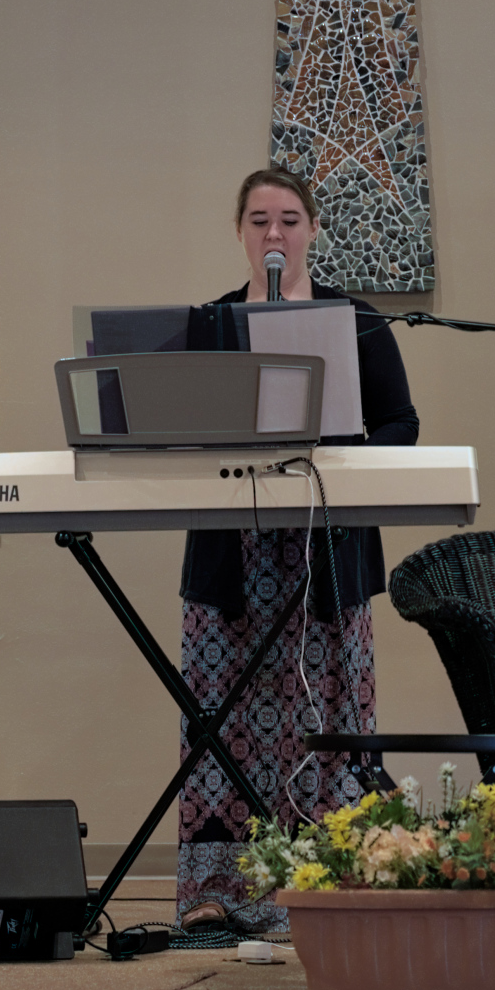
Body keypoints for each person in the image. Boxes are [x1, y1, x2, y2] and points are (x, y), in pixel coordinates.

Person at [175, 170, 419, 933]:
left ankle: (331, 879)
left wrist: (337, 461)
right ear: (240, 233)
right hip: (233, 555)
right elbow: (181, 431)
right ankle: (220, 890)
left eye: (288, 219)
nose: (274, 233)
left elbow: (401, 423)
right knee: (223, 712)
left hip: (326, 547)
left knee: (327, 710)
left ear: (312, 229)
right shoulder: (213, 325)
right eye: (258, 221)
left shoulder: (356, 321)